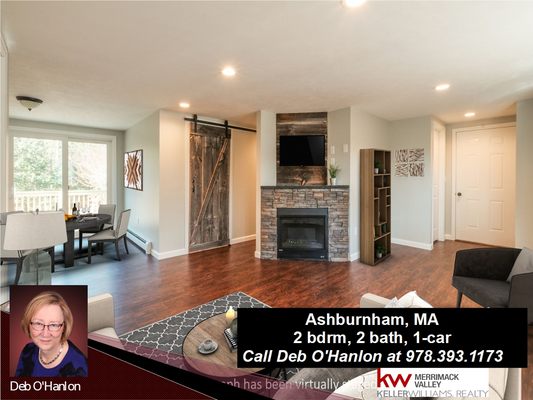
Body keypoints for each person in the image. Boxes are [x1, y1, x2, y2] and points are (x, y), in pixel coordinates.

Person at [15, 291, 88, 377]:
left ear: (64, 327)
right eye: (38, 323)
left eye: (54, 325)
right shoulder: (28, 351)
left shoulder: (80, 369)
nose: (45, 334)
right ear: (28, 324)